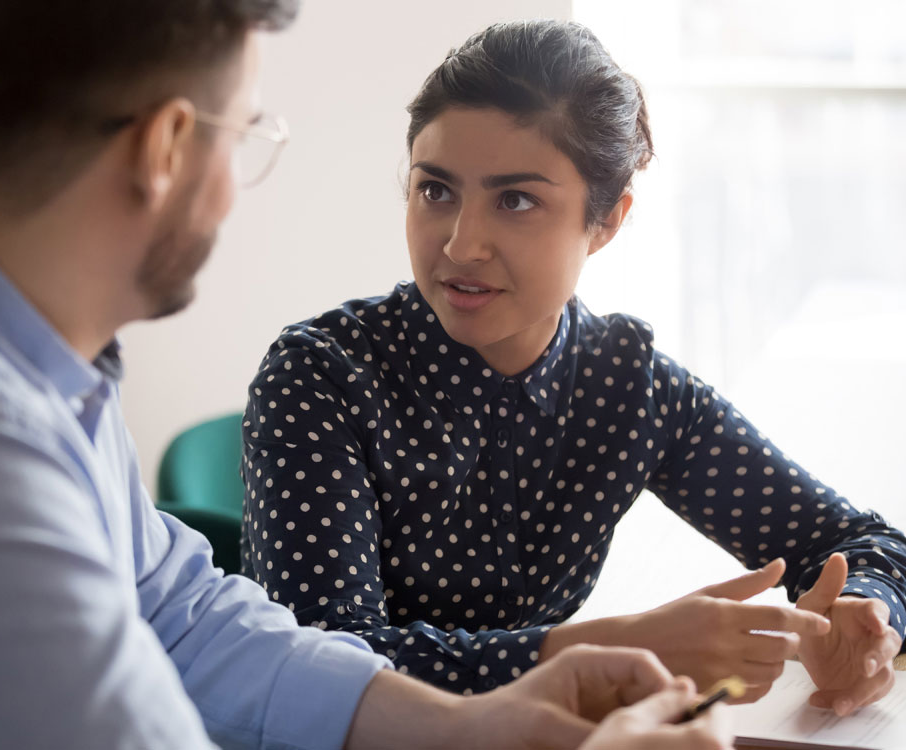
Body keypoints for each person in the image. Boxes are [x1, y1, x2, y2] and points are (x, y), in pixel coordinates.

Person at [0, 2, 736, 749]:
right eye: (246, 133)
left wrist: (466, 726)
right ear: (164, 147)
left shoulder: (31, 363)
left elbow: (180, 615)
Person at [241, 18, 906, 714]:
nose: (463, 245)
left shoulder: (629, 386)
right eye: (435, 190)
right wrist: (614, 653)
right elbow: (325, 665)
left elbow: (859, 542)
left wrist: (864, 618)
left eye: (516, 200)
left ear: (607, 220)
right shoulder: (320, 377)